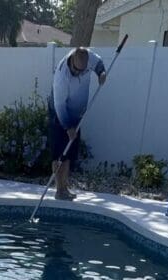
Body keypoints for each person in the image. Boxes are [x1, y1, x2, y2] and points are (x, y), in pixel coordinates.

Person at [48, 47, 106, 201]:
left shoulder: (88, 57)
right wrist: (68, 127)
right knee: (59, 152)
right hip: (59, 113)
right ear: (71, 60)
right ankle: (59, 190)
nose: (78, 73)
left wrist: (101, 73)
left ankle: (64, 189)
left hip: (77, 113)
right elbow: (59, 106)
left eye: (82, 71)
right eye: (75, 70)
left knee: (69, 153)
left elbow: (99, 63)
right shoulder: (61, 76)